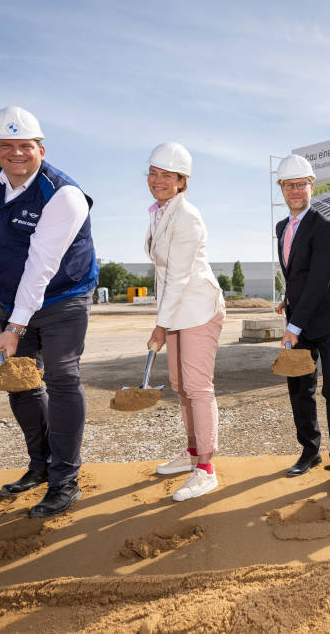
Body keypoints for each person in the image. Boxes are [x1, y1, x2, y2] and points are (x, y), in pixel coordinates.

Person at [0, 106, 98, 518]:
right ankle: (40, 466)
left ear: (41, 148)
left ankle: (65, 481)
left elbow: (41, 264)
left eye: (25, 145)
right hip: (14, 299)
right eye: (6, 146)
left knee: (62, 378)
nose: (16, 153)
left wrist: (14, 325)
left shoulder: (63, 194)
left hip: (63, 296)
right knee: (21, 383)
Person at [143, 142, 226, 502]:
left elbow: (178, 277)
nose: (158, 180)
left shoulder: (187, 216)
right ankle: (192, 452)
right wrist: (163, 319)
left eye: (167, 176)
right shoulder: (160, 212)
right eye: (154, 173)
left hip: (198, 309)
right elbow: (165, 277)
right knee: (180, 385)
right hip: (177, 310)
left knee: (197, 386)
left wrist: (160, 325)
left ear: (181, 181)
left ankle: (206, 468)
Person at [273, 154, 330, 493]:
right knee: (299, 389)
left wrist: (293, 327)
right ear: (282, 189)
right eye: (288, 185)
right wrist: (287, 299)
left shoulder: (326, 228)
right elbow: (297, 275)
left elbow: (321, 280)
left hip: (329, 321)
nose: (295, 191)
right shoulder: (282, 228)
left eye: (301, 184)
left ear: (312, 186)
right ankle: (309, 451)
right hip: (300, 317)